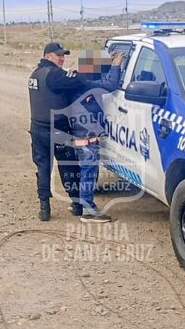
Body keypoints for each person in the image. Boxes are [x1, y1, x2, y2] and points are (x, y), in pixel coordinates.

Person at [28, 42, 120, 221]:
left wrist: (99, 63)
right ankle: (78, 205)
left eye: (64, 55)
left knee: (43, 167)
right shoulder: (55, 75)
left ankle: (44, 208)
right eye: (58, 55)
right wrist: (109, 66)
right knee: (68, 166)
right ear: (48, 56)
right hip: (58, 130)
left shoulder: (35, 74)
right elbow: (82, 81)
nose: (62, 59)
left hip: (37, 129)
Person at [70, 52, 124, 223]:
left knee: (83, 170)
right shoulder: (87, 85)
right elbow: (110, 84)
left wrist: (107, 62)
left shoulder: (77, 81)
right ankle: (88, 210)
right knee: (88, 171)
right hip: (86, 135)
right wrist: (116, 65)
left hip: (78, 131)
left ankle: (79, 203)